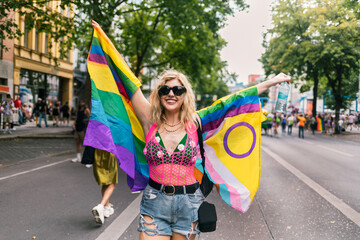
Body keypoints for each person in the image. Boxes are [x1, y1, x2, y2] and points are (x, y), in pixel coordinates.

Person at [128, 70, 290, 239]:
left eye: (177, 90)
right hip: (154, 202)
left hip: (188, 204)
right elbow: (129, 83)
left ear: (185, 95)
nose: (171, 94)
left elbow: (231, 102)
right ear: (158, 95)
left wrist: (272, 82)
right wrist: (103, 45)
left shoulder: (196, 121)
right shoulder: (150, 121)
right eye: (164, 90)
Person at [91, 149, 118, 225]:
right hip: (109, 153)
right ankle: (101, 206)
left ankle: (107, 208)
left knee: (105, 182)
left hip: (97, 153)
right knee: (111, 183)